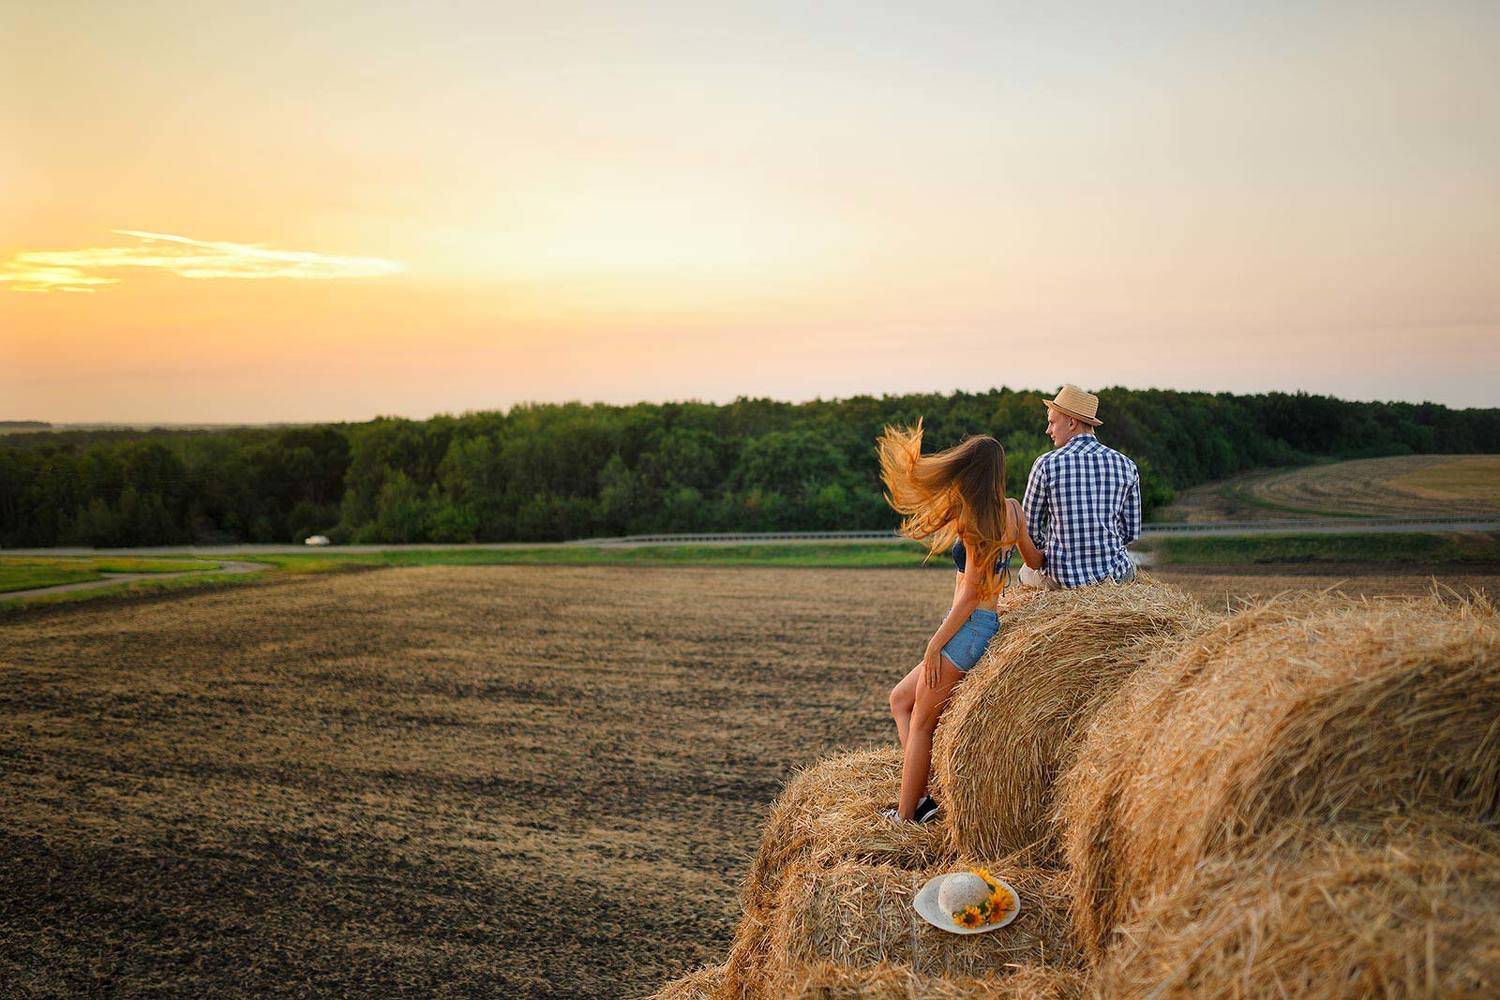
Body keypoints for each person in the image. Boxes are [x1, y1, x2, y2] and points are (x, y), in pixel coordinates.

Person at [876, 420, 1043, 824]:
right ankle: (920, 795)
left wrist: (935, 644)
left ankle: (907, 815)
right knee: (900, 700)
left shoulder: (975, 523)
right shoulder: (1013, 511)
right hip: (983, 625)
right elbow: (1035, 560)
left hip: (966, 630)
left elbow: (969, 595)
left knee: (922, 723)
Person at [1019, 385, 1141, 590]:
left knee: (1024, 573)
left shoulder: (1045, 464)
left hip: (1061, 579)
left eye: (1052, 422)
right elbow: (1131, 532)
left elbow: (1029, 529)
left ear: (1071, 422)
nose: (1048, 430)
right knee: (1132, 568)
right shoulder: (1126, 465)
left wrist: (1048, 551)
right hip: (1114, 577)